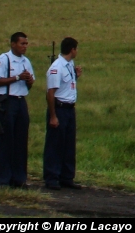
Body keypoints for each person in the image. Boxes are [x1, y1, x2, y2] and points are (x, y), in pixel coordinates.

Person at [0, 32, 35, 188]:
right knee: (6, 141)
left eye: (26, 44)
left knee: (20, 141)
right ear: (13, 44)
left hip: (21, 101)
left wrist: (29, 81)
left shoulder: (26, 62)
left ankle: (18, 178)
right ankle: (2, 179)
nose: (25, 47)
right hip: (7, 101)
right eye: (22, 43)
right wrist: (17, 78)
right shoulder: (3, 60)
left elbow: (30, 84)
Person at [44, 37, 82, 190]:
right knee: (55, 144)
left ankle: (66, 176)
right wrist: (53, 116)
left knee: (68, 144)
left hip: (69, 108)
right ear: (72, 49)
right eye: (76, 49)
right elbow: (50, 93)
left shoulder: (69, 65)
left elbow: (67, 85)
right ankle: (51, 177)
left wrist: (76, 76)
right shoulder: (57, 67)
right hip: (59, 108)